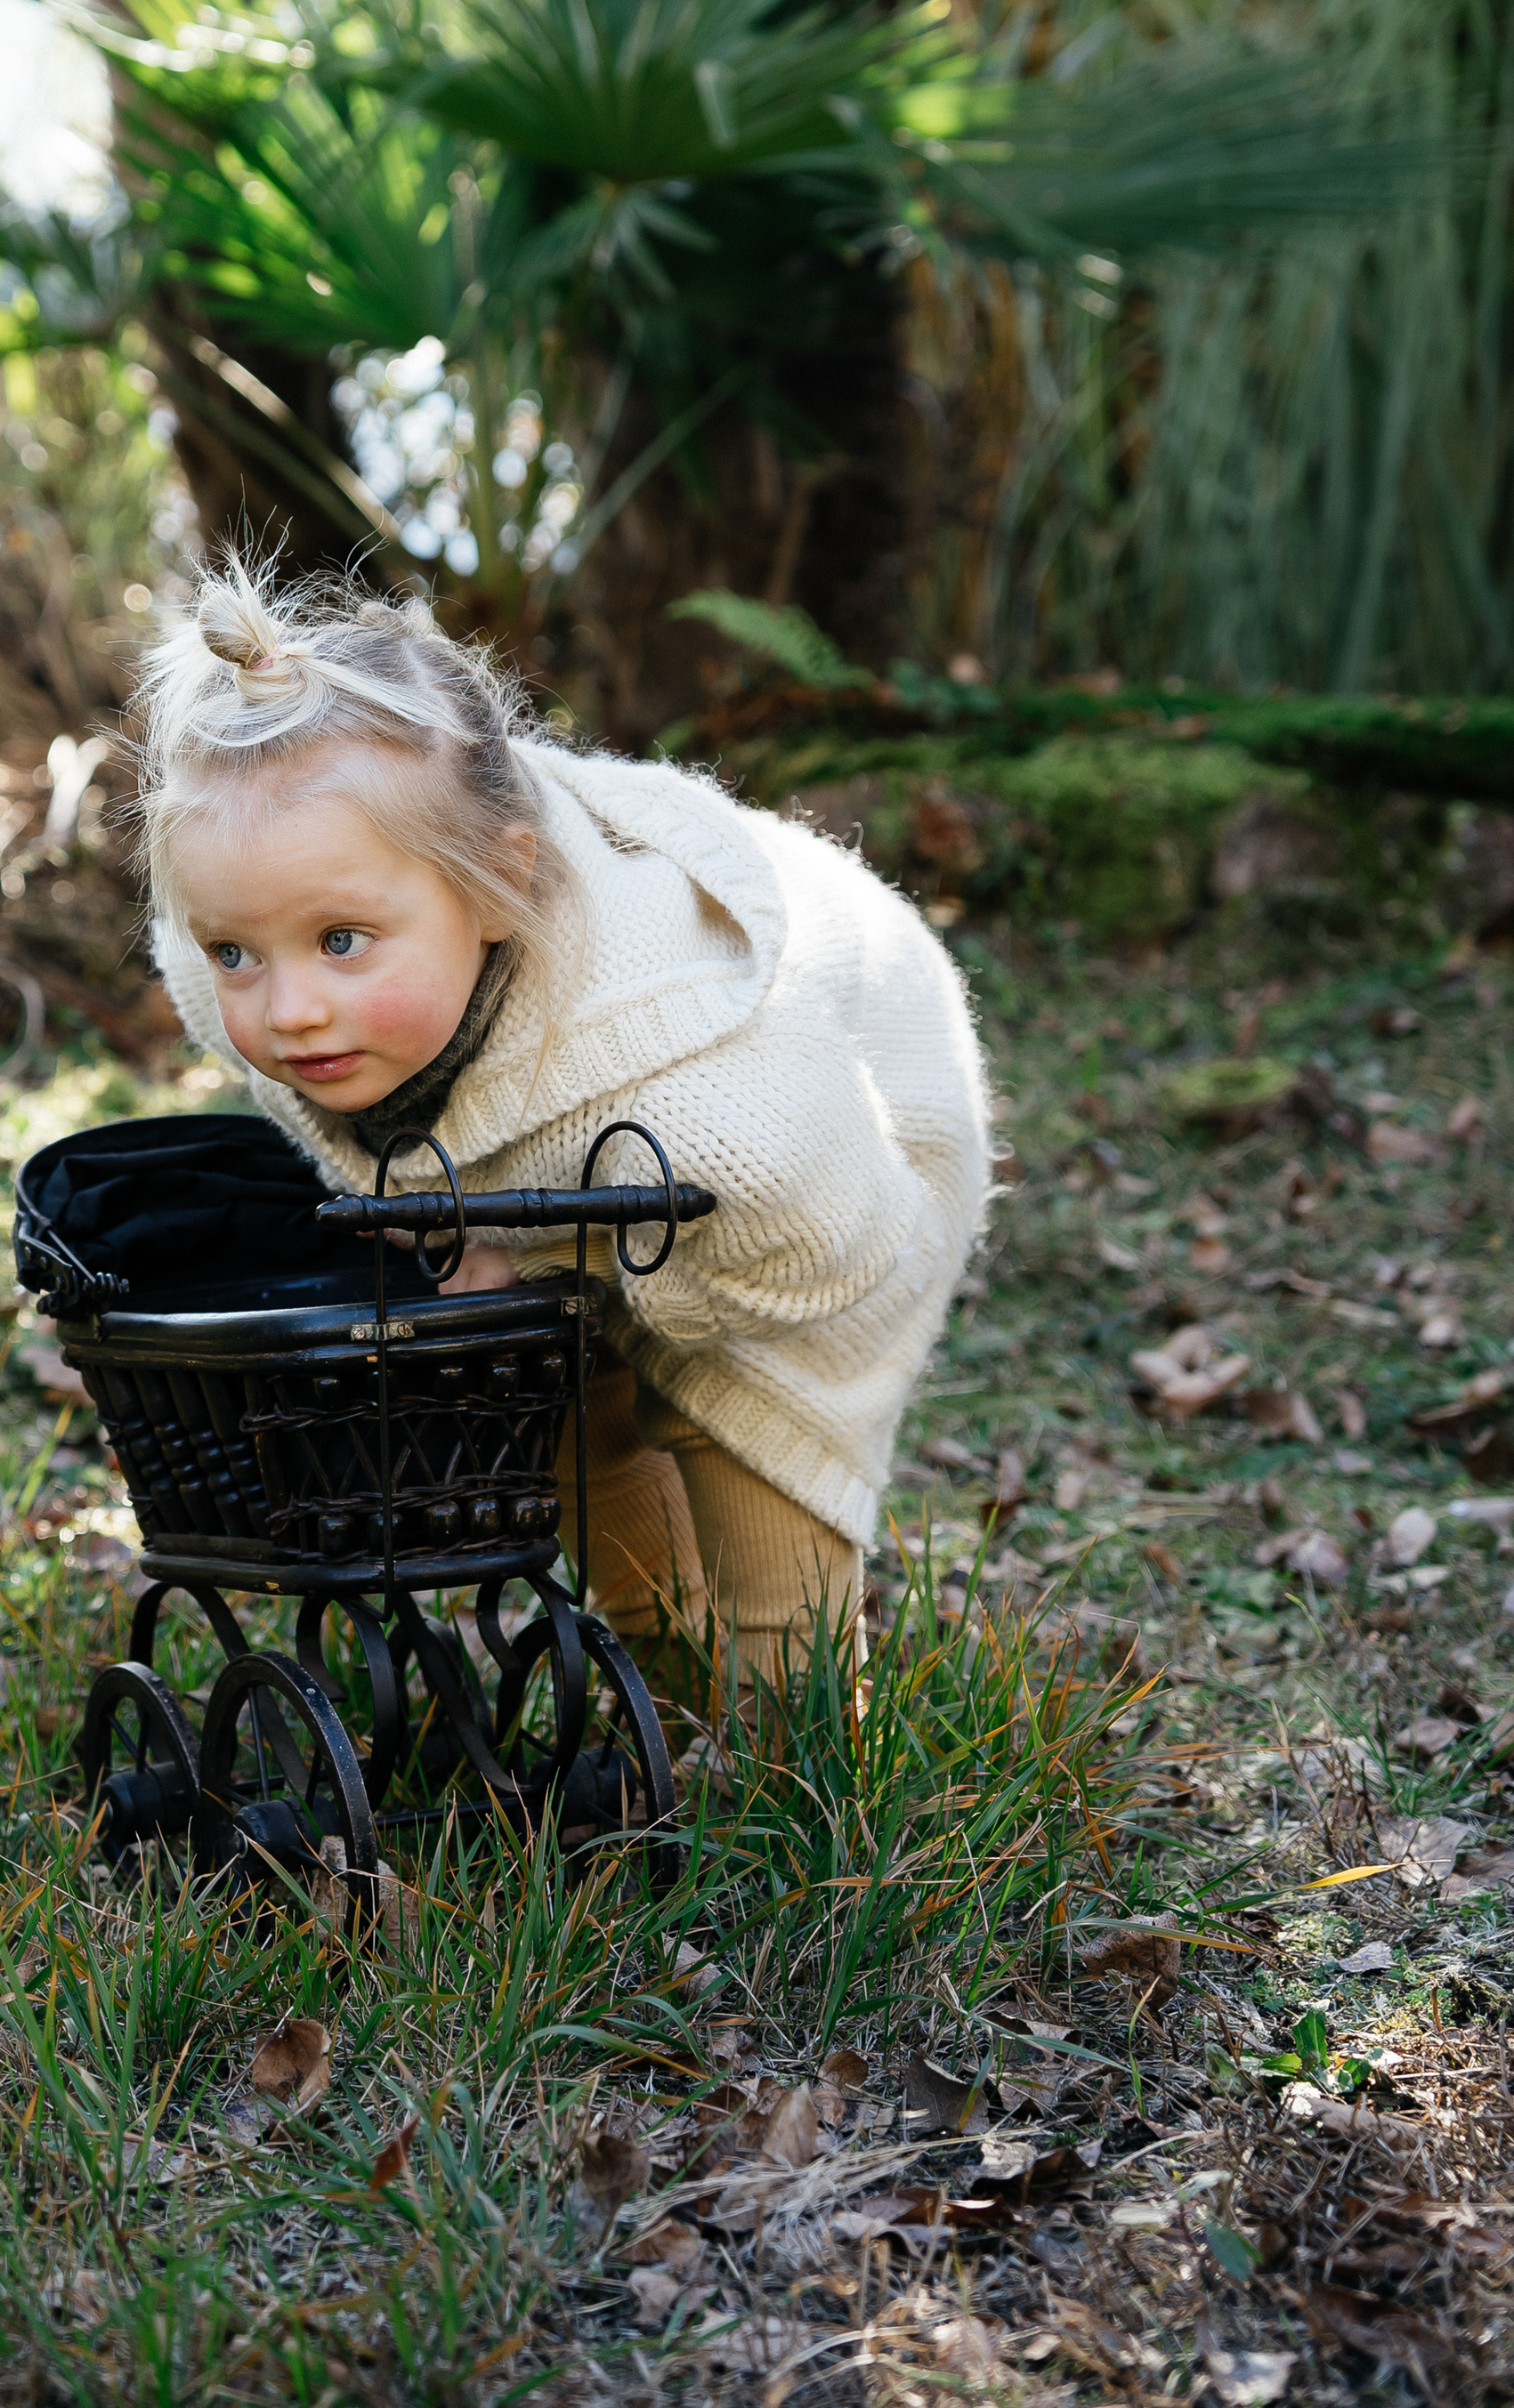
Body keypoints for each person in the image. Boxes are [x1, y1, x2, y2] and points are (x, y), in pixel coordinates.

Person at [132, 559, 991, 1701]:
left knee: (758, 1500)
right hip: (589, 1165)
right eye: (239, 950)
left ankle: (811, 1784)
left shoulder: (709, 1083)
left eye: (341, 941)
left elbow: (836, 1242)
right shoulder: (229, 957)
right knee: (558, 1416)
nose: (286, 1011)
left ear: (496, 886)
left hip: (847, 1146)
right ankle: (671, 1692)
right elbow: (265, 977)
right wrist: (502, 1248)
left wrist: (535, 1247)